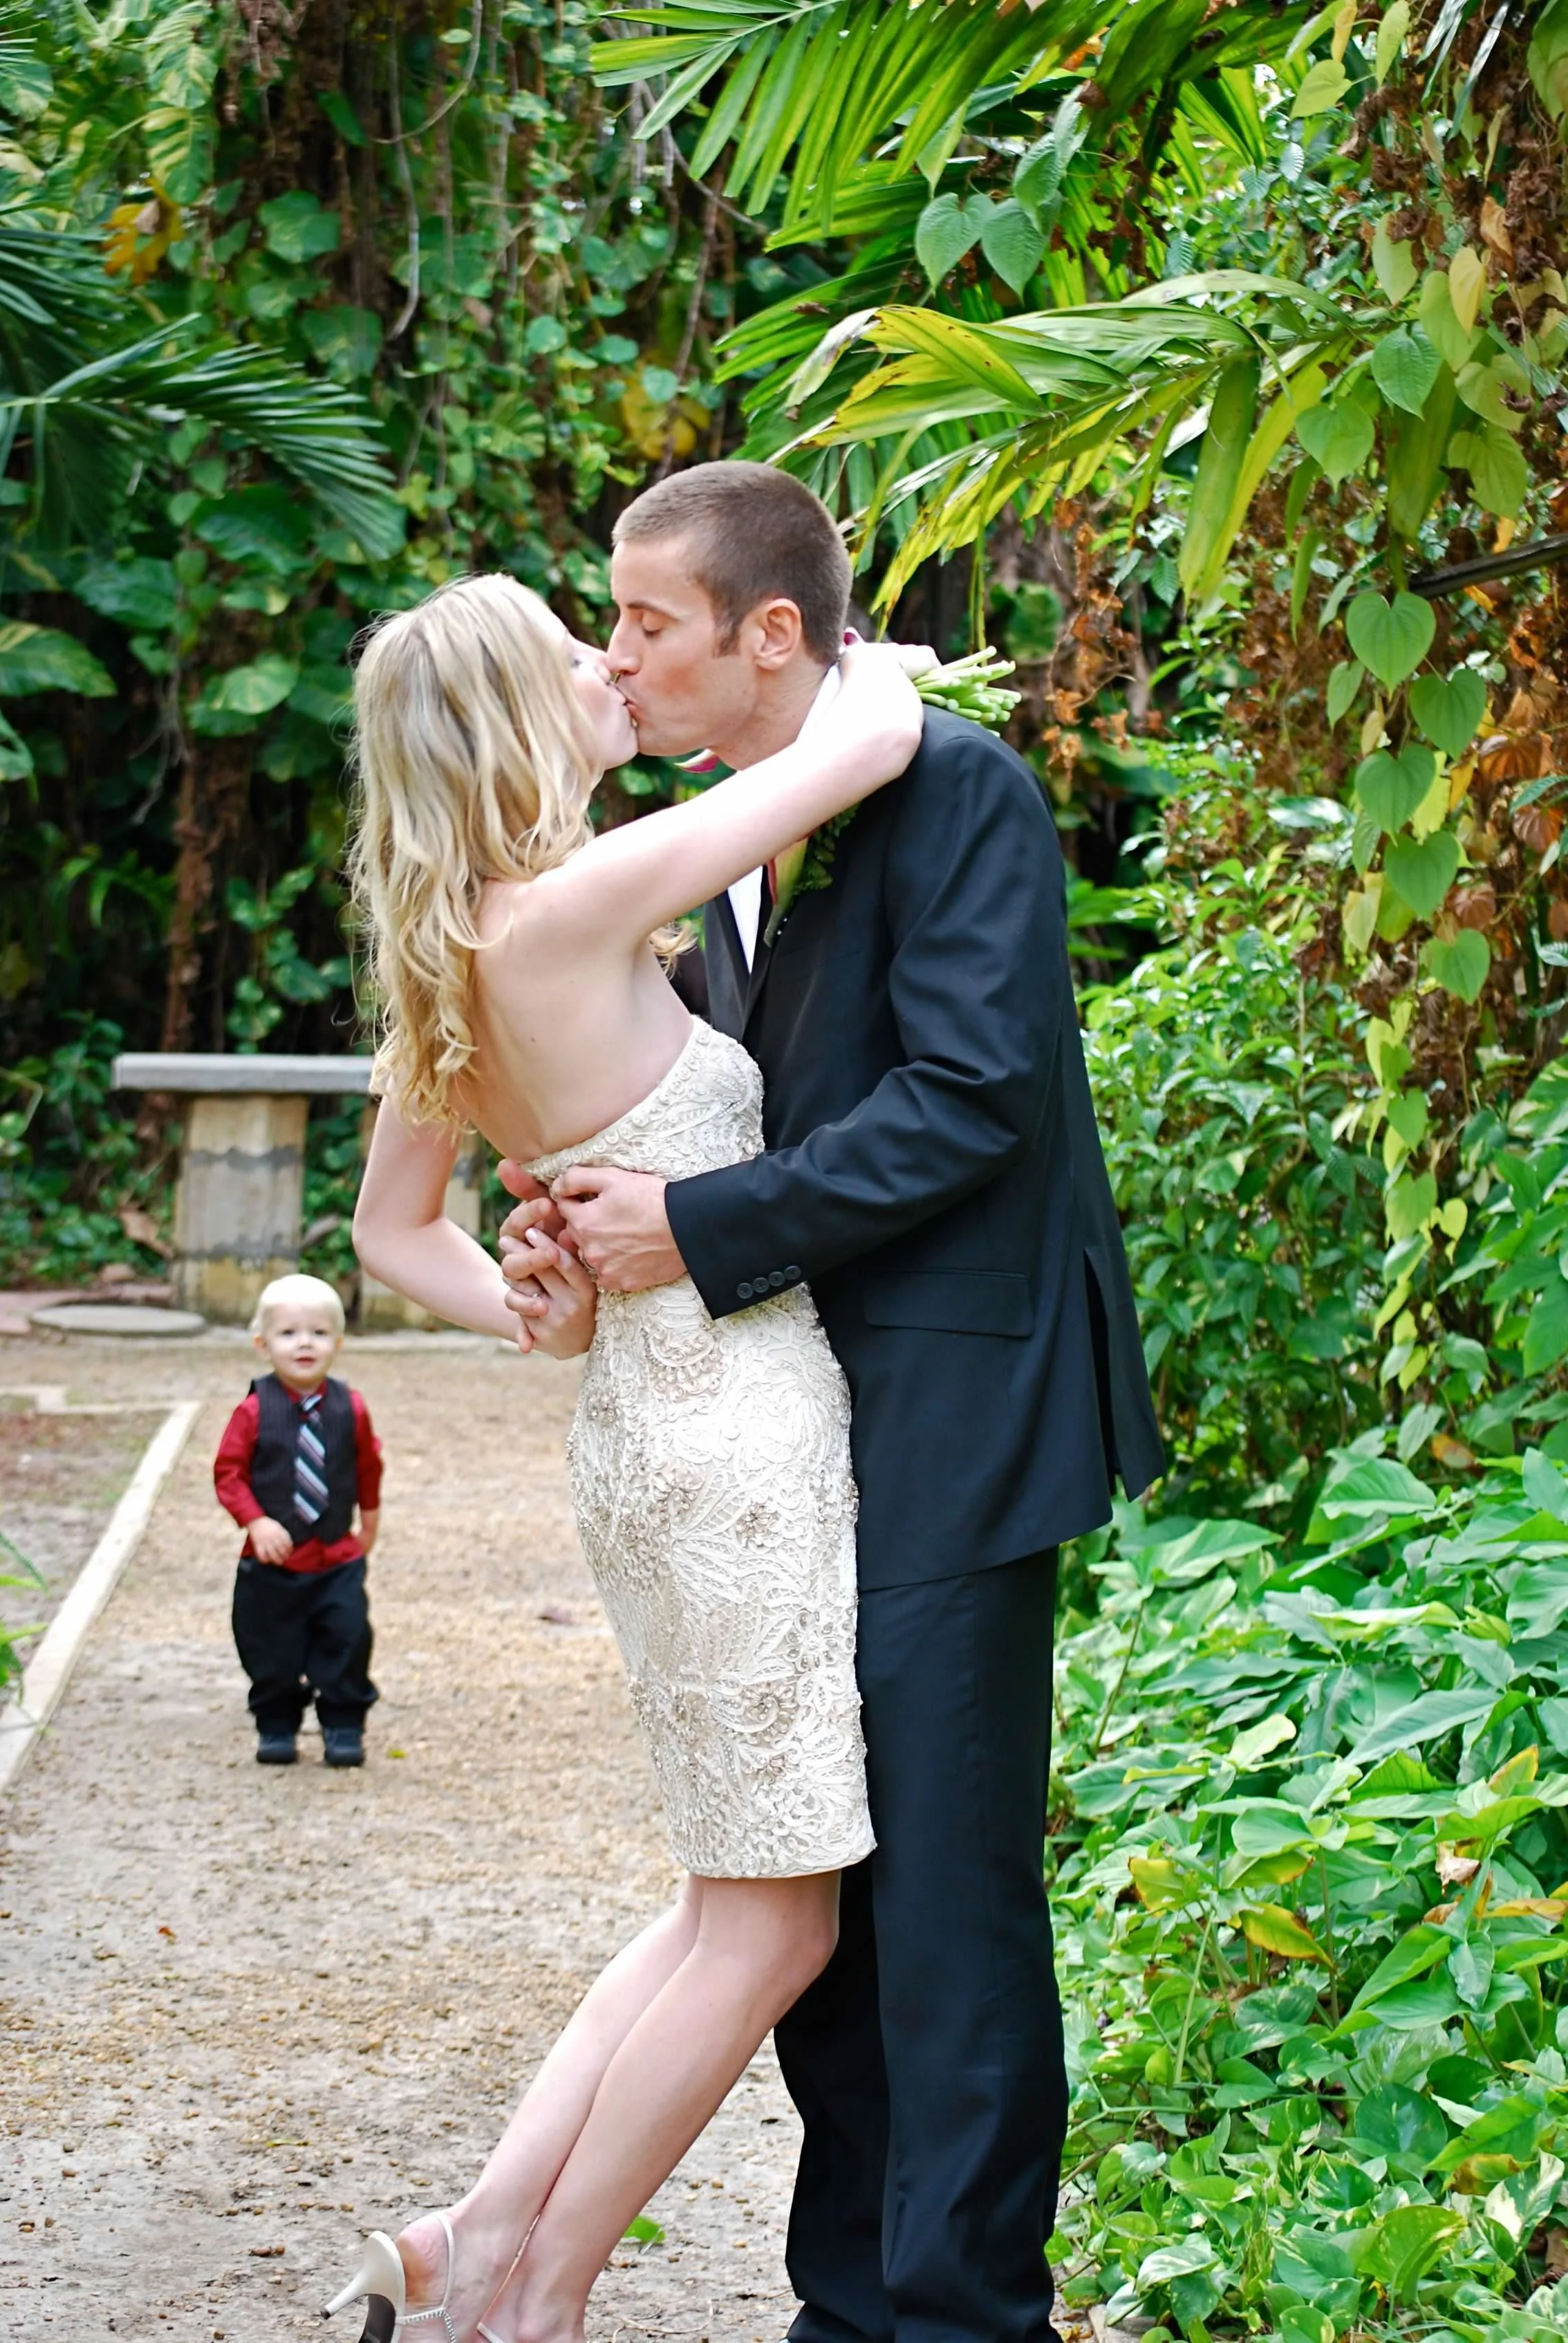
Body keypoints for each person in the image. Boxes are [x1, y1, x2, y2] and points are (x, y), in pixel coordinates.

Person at [498, 461, 1165, 2343]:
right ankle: (857, 2293)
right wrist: (590, 1222)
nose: (615, 658)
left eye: (644, 622)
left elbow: (975, 1097)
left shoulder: (959, 790)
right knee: (822, 1889)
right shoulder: (736, 823)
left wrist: (690, 1228)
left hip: (960, 1406)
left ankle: (957, 2311)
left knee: (943, 1900)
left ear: (767, 632)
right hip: (794, 1424)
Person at [333, 565, 924, 2343]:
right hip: (734, 1443)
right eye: (574, 655)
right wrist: (864, 653)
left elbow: (391, 1230)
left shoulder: (461, 954)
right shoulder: (586, 898)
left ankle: (478, 2234)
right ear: (520, 724)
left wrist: (546, 1309)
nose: (614, 666)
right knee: (775, 1931)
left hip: (643, 1439)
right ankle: (540, 2298)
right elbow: (865, 736)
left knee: (719, 1897)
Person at [214, 1272, 382, 1769]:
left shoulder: (350, 1407)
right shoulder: (252, 1410)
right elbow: (228, 1473)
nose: (304, 1343)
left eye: (318, 1333)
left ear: (339, 1342)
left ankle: (344, 1723)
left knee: (348, 1637)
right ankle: (277, 1722)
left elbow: (368, 1465)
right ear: (262, 1345)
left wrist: (369, 1520)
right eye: (288, 1333)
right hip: (274, 1561)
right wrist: (256, 1521)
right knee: (270, 1648)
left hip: (335, 1556)